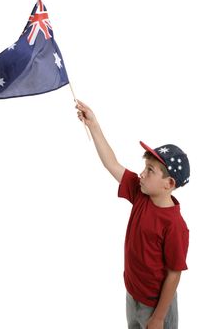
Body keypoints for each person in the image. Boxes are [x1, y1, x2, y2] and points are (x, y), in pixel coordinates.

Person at [76, 100, 190, 329]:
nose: (142, 174)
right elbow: (112, 164)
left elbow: (174, 274)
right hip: (133, 296)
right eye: (144, 167)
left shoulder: (175, 225)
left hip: (157, 307)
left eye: (150, 170)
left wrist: (158, 317)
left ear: (169, 183)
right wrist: (94, 125)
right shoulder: (140, 193)